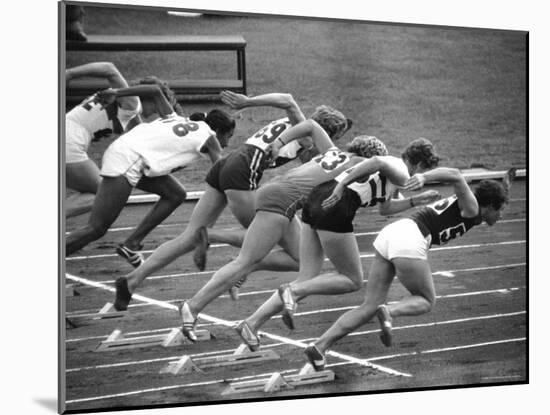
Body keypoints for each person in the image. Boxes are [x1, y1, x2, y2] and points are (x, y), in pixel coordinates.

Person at [112, 90, 351, 310]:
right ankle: (216, 242)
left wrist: (249, 103)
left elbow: (303, 147)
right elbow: (287, 99)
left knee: (188, 236)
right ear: (331, 133)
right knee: (288, 250)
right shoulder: (306, 130)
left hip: (228, 163)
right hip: (242, 171)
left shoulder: (296, 126)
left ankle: (131, 281)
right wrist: (247, 103)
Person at [175, 118, 399, 342]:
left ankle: (251, 324)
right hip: (283, 201)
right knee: (245, 261)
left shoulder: (333, 151)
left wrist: (279, 142)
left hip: (277, 193)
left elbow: (310, 124)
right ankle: (193, 307)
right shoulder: (362, 165)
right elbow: (381, 183)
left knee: (302, 264)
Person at [235, 137, 441, 351]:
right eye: (423, 174)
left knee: (307, 278)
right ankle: (293, 292)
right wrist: (342, 185)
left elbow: (385, 208)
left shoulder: (391, 176)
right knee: (352, 280)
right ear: (418, 165)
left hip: (315, 200)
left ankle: (252, 323)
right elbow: (377, 162)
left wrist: (416, 201)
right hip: (336, 205)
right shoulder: (400, 170)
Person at [302, 167, 514, 371]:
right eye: (501, 210)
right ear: (490, 206)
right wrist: (423, 177)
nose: (502, 216)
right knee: (426, 300)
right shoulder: (473, 208)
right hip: (412, 238)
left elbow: (473, 187)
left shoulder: (473, 203)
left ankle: (320, 346)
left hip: (392, 232)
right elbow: (456, 175)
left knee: (369, 305)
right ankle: (389, 311)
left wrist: (504, 186)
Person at [65, 95, 236, 262]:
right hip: (129, 160)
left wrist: (119, 92)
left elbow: (154, 89)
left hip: (127, 154)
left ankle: (131, 244)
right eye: (228, 137)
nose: (227, 143)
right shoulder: (210, 138)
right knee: (96, 228)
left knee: (175, 194)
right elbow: (220, 176)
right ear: (219, 131)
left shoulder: (177, 118)